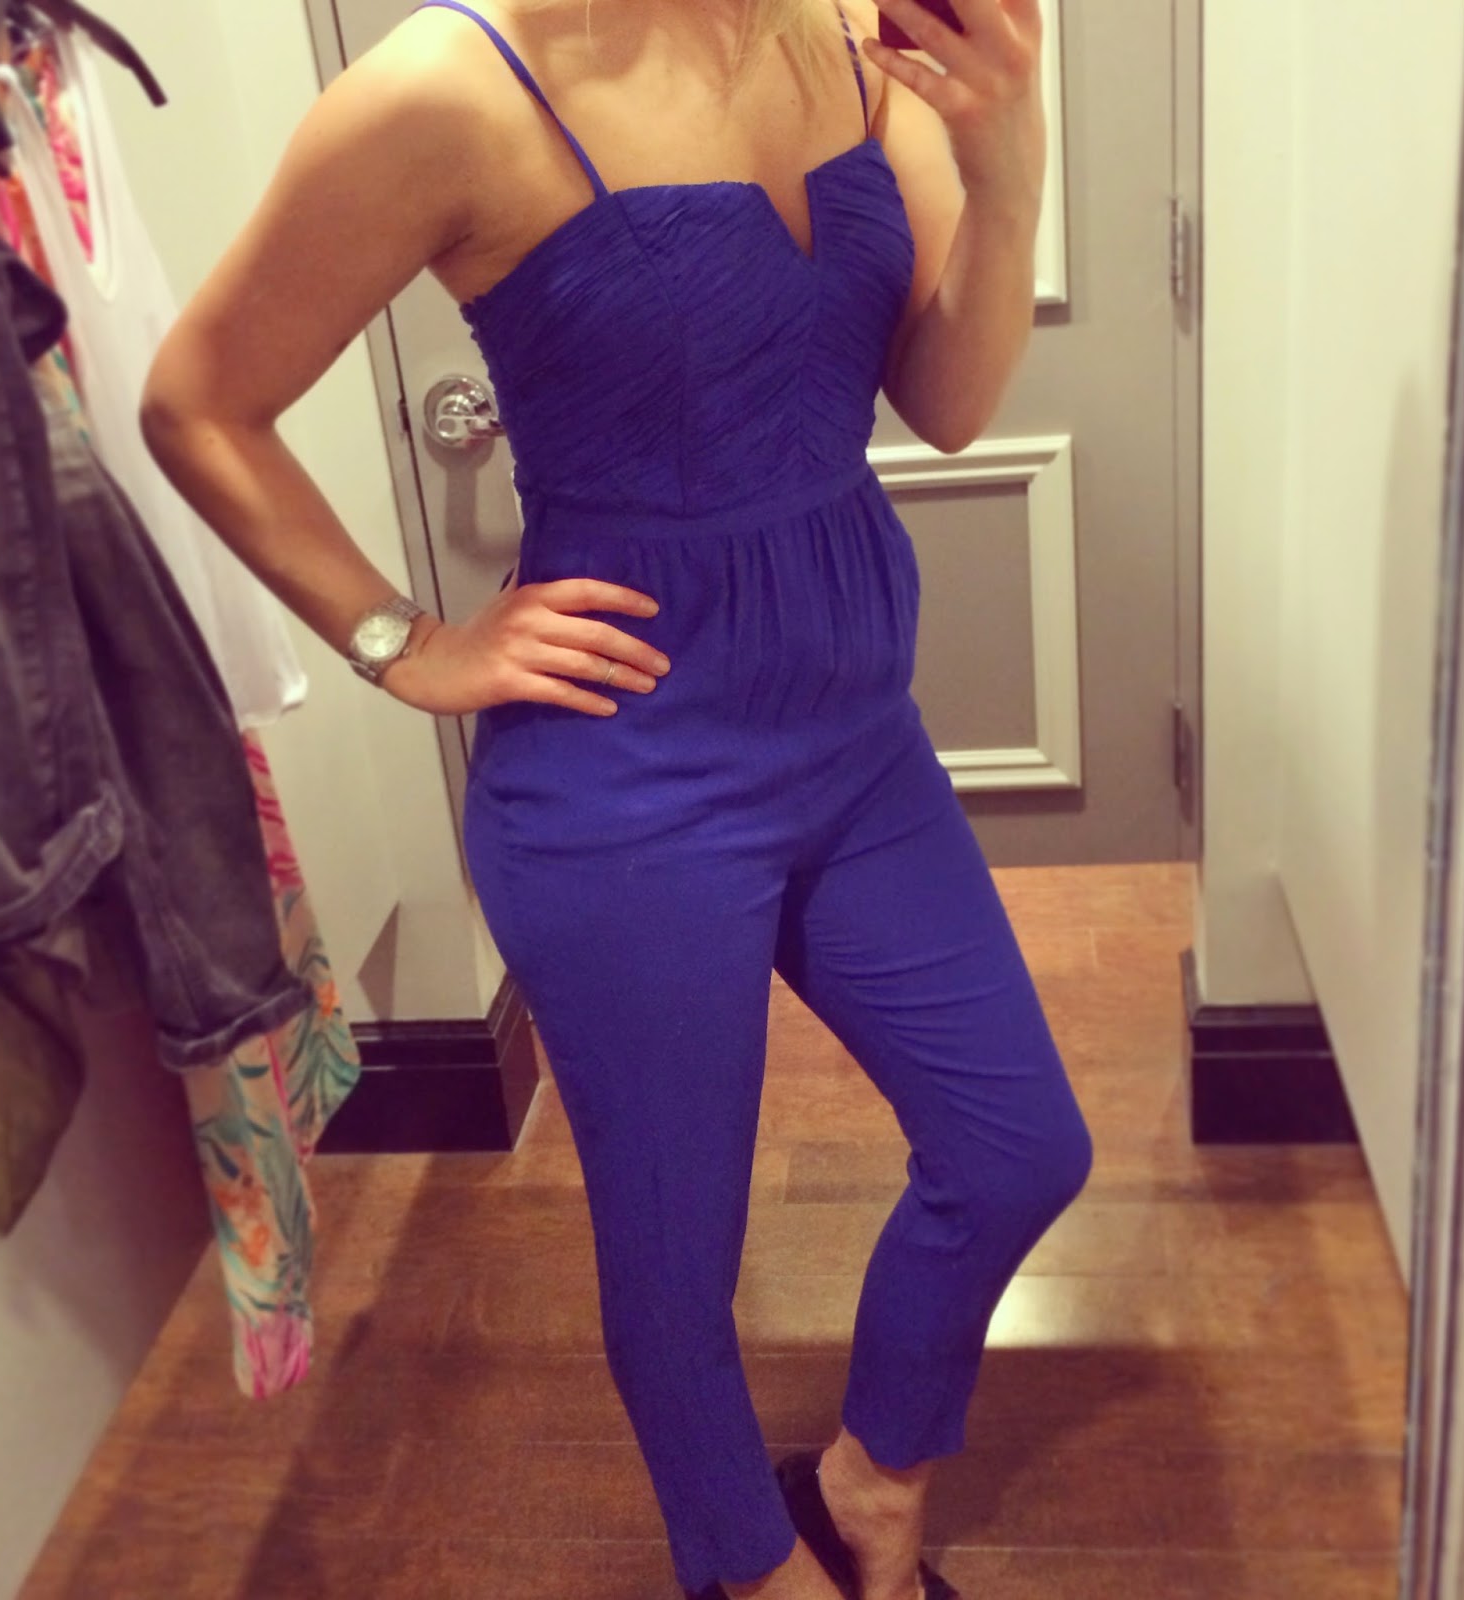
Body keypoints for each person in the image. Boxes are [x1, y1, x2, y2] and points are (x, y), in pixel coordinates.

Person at [140, 0, 1090, 1596]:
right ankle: (750, 1571)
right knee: (674, 1269)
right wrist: (405, 642)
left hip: (857, 744)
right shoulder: (451, 90)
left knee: (1018, 1150)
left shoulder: (851, 41)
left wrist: (1009, 162)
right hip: (626, 786)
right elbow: (197, 401)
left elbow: (949, 401)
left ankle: (869, 1484)